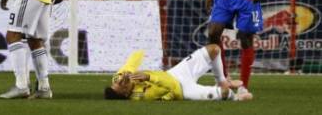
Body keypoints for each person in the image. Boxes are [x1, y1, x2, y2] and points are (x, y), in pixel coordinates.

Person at [104, 45, 252, 101]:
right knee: (225, 94)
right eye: (120, 85)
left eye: (116, 82)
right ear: (125, 94)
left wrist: (143, 50)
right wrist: (150, 76)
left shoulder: (121, 78)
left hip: (176, 72)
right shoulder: (141, 96)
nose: (120, 81)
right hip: (183, 89)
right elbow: (171, 87)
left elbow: (132, 61)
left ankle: (222, 80)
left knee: (214, 49)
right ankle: (237, 98)